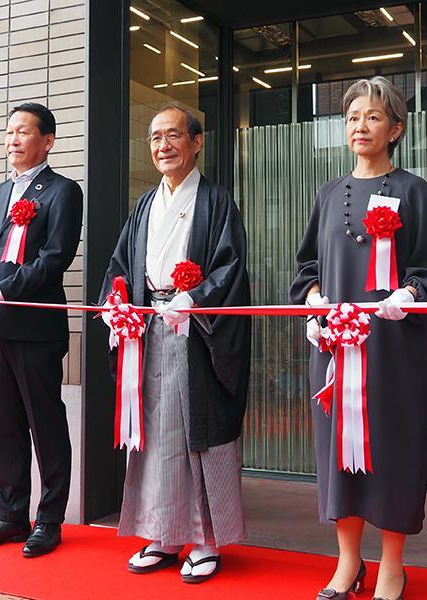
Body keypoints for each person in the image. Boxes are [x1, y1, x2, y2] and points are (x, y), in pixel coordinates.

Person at [290, 77, 427, 600]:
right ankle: (347, 562)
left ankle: (393, 566)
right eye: (353, 116)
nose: (361, 125)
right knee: (339, 453)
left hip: (395, 348)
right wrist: (313, 300)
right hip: (337, 349)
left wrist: (409, 293)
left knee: (394, 449)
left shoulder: (414, 190)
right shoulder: (329, 192)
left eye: (374, 116)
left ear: (396, 128)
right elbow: (307, 266)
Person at [100, 105, 250, 584]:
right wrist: (116, 302)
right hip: (150, 328)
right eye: (155, 138)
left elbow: (230, 268)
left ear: (197, 142)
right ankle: (162, 532)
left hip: (195, 329)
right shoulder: (145, 205)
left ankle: (206, 538)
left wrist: (194, 298)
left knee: (196, 432)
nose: (163, 146)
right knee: (157, 431)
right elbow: (121, 263)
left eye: (173, 135)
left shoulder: (216, 201)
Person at [0, 102, 83, 558]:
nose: (12, 139)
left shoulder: (63, 191)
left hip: (35, 326)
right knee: (5, 425)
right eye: (8, 131)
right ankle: (10, 515)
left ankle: (49, 519)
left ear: (47, 141)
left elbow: (54, 258)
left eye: (23, 131)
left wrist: (2, 290)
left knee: (45, 422)